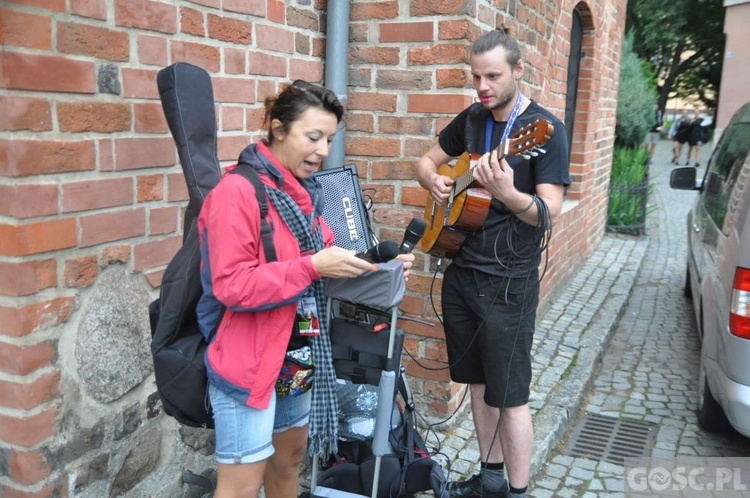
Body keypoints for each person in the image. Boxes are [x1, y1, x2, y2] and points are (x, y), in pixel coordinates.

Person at [197, 80, 414, 498]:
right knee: (241, 486)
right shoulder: (236, 193)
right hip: (248, 362)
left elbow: (330, 262)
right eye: (313, 137)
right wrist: (312, 266)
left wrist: (383, 266)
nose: (323, 150)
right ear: (278, 129)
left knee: (289, 461)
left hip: (297, 355)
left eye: (330, 139)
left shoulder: (303, 195)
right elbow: (232, 286)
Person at [416, 28, 570, 498]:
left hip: (508, 283)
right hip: (461, 268)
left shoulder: (544, 131)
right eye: (476, 76)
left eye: (493, 76)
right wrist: (435, 183)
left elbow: (548, 212)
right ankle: (490, 480)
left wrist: (508, 193)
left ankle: (519, 491)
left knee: (511, 396)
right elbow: (426, 161)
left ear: (518, 72)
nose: (482, 86)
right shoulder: (472, 119)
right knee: (477, 384)